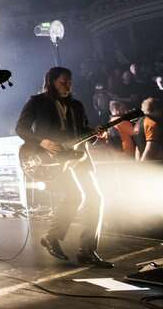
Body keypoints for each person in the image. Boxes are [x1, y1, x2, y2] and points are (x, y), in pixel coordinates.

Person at [15, 67, 112, 268]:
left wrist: (96, 134)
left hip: (79, 156)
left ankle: (87, 251)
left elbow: (83, 132)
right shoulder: (37, 102)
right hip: (53, 158)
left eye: (69, 82)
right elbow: (21, 129)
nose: (68, 86)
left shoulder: (76, 105)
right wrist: (42, 141)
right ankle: (53, 237)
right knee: (75, 196)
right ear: (51, 82)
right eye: (63, 82)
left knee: (96, 199)